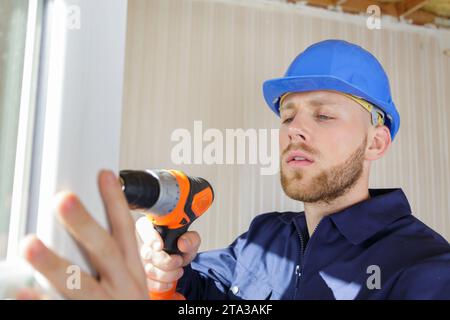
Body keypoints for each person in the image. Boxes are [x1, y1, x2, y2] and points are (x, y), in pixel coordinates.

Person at [20, 39, 450, 300]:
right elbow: (201, 298)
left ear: (376, 142)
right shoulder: (264, 241)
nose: (294, 130)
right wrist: (164, 268)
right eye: (287, 116)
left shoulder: (426, 269)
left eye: (322, 116)